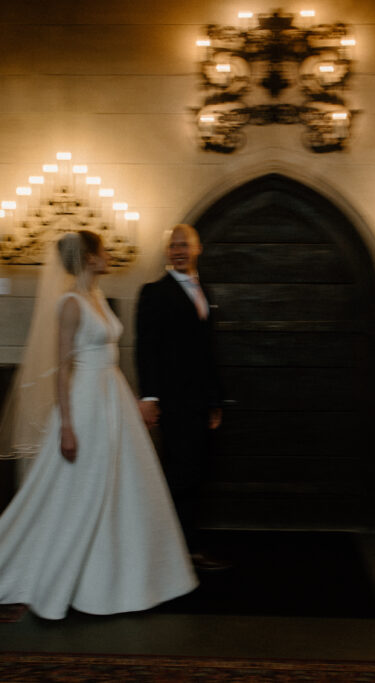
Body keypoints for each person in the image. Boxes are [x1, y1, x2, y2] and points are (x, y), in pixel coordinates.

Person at [0, 230, 197, 619]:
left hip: (113, 398)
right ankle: (69, 573)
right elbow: (62, 369)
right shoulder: (72, 303)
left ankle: (121, 573)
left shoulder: (95, 297)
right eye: (103, 251)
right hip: (87, 402)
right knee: (82, 486)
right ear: (89, 258)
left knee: (119, 484)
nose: (109, 255)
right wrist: (67, 426)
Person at [136, 224, 225, 571]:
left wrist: (215, 401)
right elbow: (147, 348)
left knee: (196, 474)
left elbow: (208, 351)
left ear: (198, 248)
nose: (178, 251)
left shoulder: (205, 289)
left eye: (183, 245)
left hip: (201, 403)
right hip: (172, 402)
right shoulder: (153, 292)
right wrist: (149, 397)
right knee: (179, 475)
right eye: (172, 246)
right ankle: (176, 552)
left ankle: (187, 547)